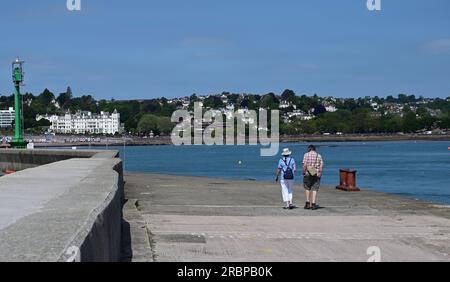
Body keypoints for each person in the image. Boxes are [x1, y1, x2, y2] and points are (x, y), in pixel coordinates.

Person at [302, 145, 324, 210]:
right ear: (315, 149)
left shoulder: (306, 155)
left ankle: (307, 203)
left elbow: (305, 164)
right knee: (315, 189)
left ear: (309, 149)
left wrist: (303, 171)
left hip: (308, 173)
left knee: (307, 187)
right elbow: (321, 165)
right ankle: (313, 204)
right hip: (316, 174)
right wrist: (320, 173)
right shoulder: (319, 155)